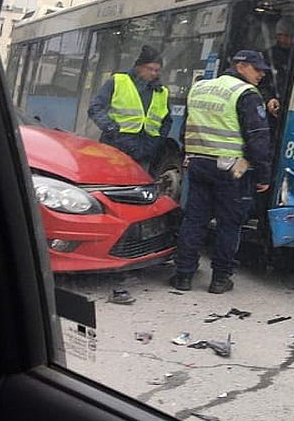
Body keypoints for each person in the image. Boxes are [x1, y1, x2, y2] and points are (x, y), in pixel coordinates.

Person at [169, 50, 274, 294]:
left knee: (195, 219)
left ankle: (183, 275)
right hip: (231, 170)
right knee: (230, 223)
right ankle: (220, 279)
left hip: (198, 164)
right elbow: (258, 137)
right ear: (240, 66)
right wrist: (263, 175)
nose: (261, 74)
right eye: (256, 69)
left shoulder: (200, 87)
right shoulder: (246, 94)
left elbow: (187, 128)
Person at [88, 44, 172, 171]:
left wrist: (159, 139)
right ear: (138, 67)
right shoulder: (118, 81)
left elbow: (166, 120)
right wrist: (111, 129)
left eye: (157, 70)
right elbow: (95, 107)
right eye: (150, 69)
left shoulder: (161, 91)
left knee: (137, 185)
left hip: (146, 148)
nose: (154, 74)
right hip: (117, 144)